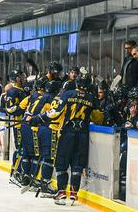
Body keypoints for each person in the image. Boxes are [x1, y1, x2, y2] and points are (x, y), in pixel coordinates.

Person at [29, 72, 103, 205]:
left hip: (67, 133)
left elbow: (54, 113)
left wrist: (37, 119)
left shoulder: (68, 95)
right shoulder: (91, 98)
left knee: (61, 163)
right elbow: (98, 118)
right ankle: (74, 193)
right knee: (77, 164)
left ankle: (61, 192)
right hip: (83, 135)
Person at [5, 69, 27, 185]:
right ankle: (14, 174)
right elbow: (9, 109)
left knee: (24, 150)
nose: (23, 78)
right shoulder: (13, 91)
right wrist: (22, 108)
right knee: (20, 149)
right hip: (18, 125)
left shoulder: (23, 90)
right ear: (16, 78)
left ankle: (19, 172)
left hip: (25, 125)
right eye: (20, 76)